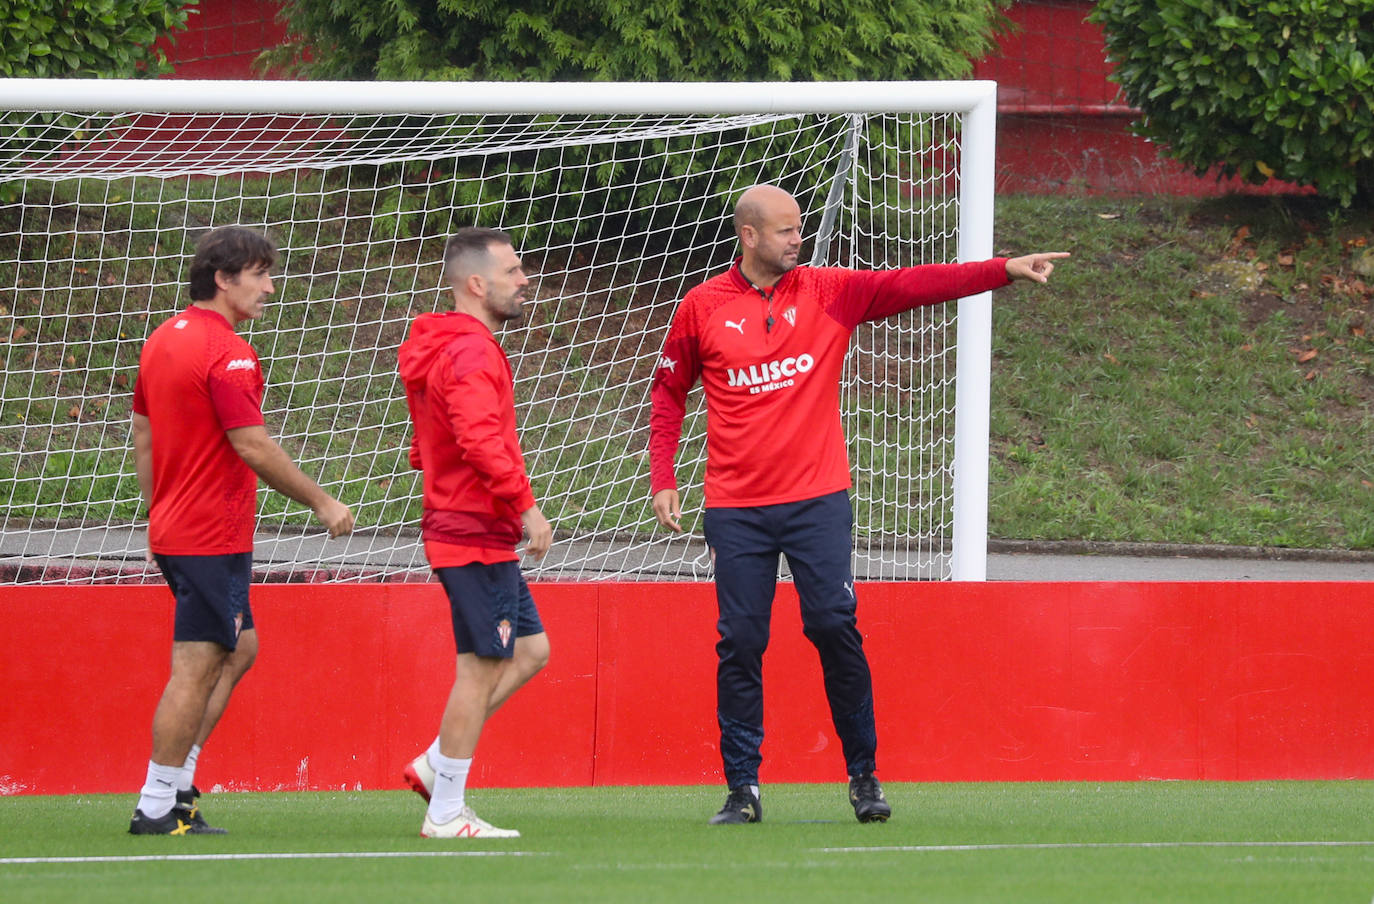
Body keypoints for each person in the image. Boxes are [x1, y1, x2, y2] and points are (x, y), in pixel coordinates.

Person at [649, 184, 1068, 825]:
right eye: (786, 230)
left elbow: (914, 283)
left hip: (818, 500)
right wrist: (663, 476)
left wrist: (1002, 270)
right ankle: (742, 789)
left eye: (799, 228)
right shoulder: (702, 306)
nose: (798, 239)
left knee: (832, 626)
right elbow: (670, 391)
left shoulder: (829, 291)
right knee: (741, 641)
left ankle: (864, 777)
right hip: (736, 507)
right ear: (751, 236)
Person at [129, 226, 355, 835]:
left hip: (180, 527)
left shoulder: (162, 339)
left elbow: (145, 437)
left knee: (240, 648)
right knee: (197, 666)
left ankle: (177, 784)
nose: (270, 288)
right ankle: (157, 805)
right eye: (259, 275)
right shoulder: (227, 352)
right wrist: (321, 500)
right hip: (209, 532)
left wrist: (156, 516)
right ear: (223, 279)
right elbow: (251, 445)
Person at [397, 227, 553, 839]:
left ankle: (437, 764)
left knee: (532, 651)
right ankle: (445, 811)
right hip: (471, 526)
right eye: (513, 271)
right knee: (480, 666)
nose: (524, 280)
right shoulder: (469, 350)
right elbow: (478, 438)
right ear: (476, 283)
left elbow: (436, 434)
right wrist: (526, 507)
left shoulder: (454, 344)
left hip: (475, 523)